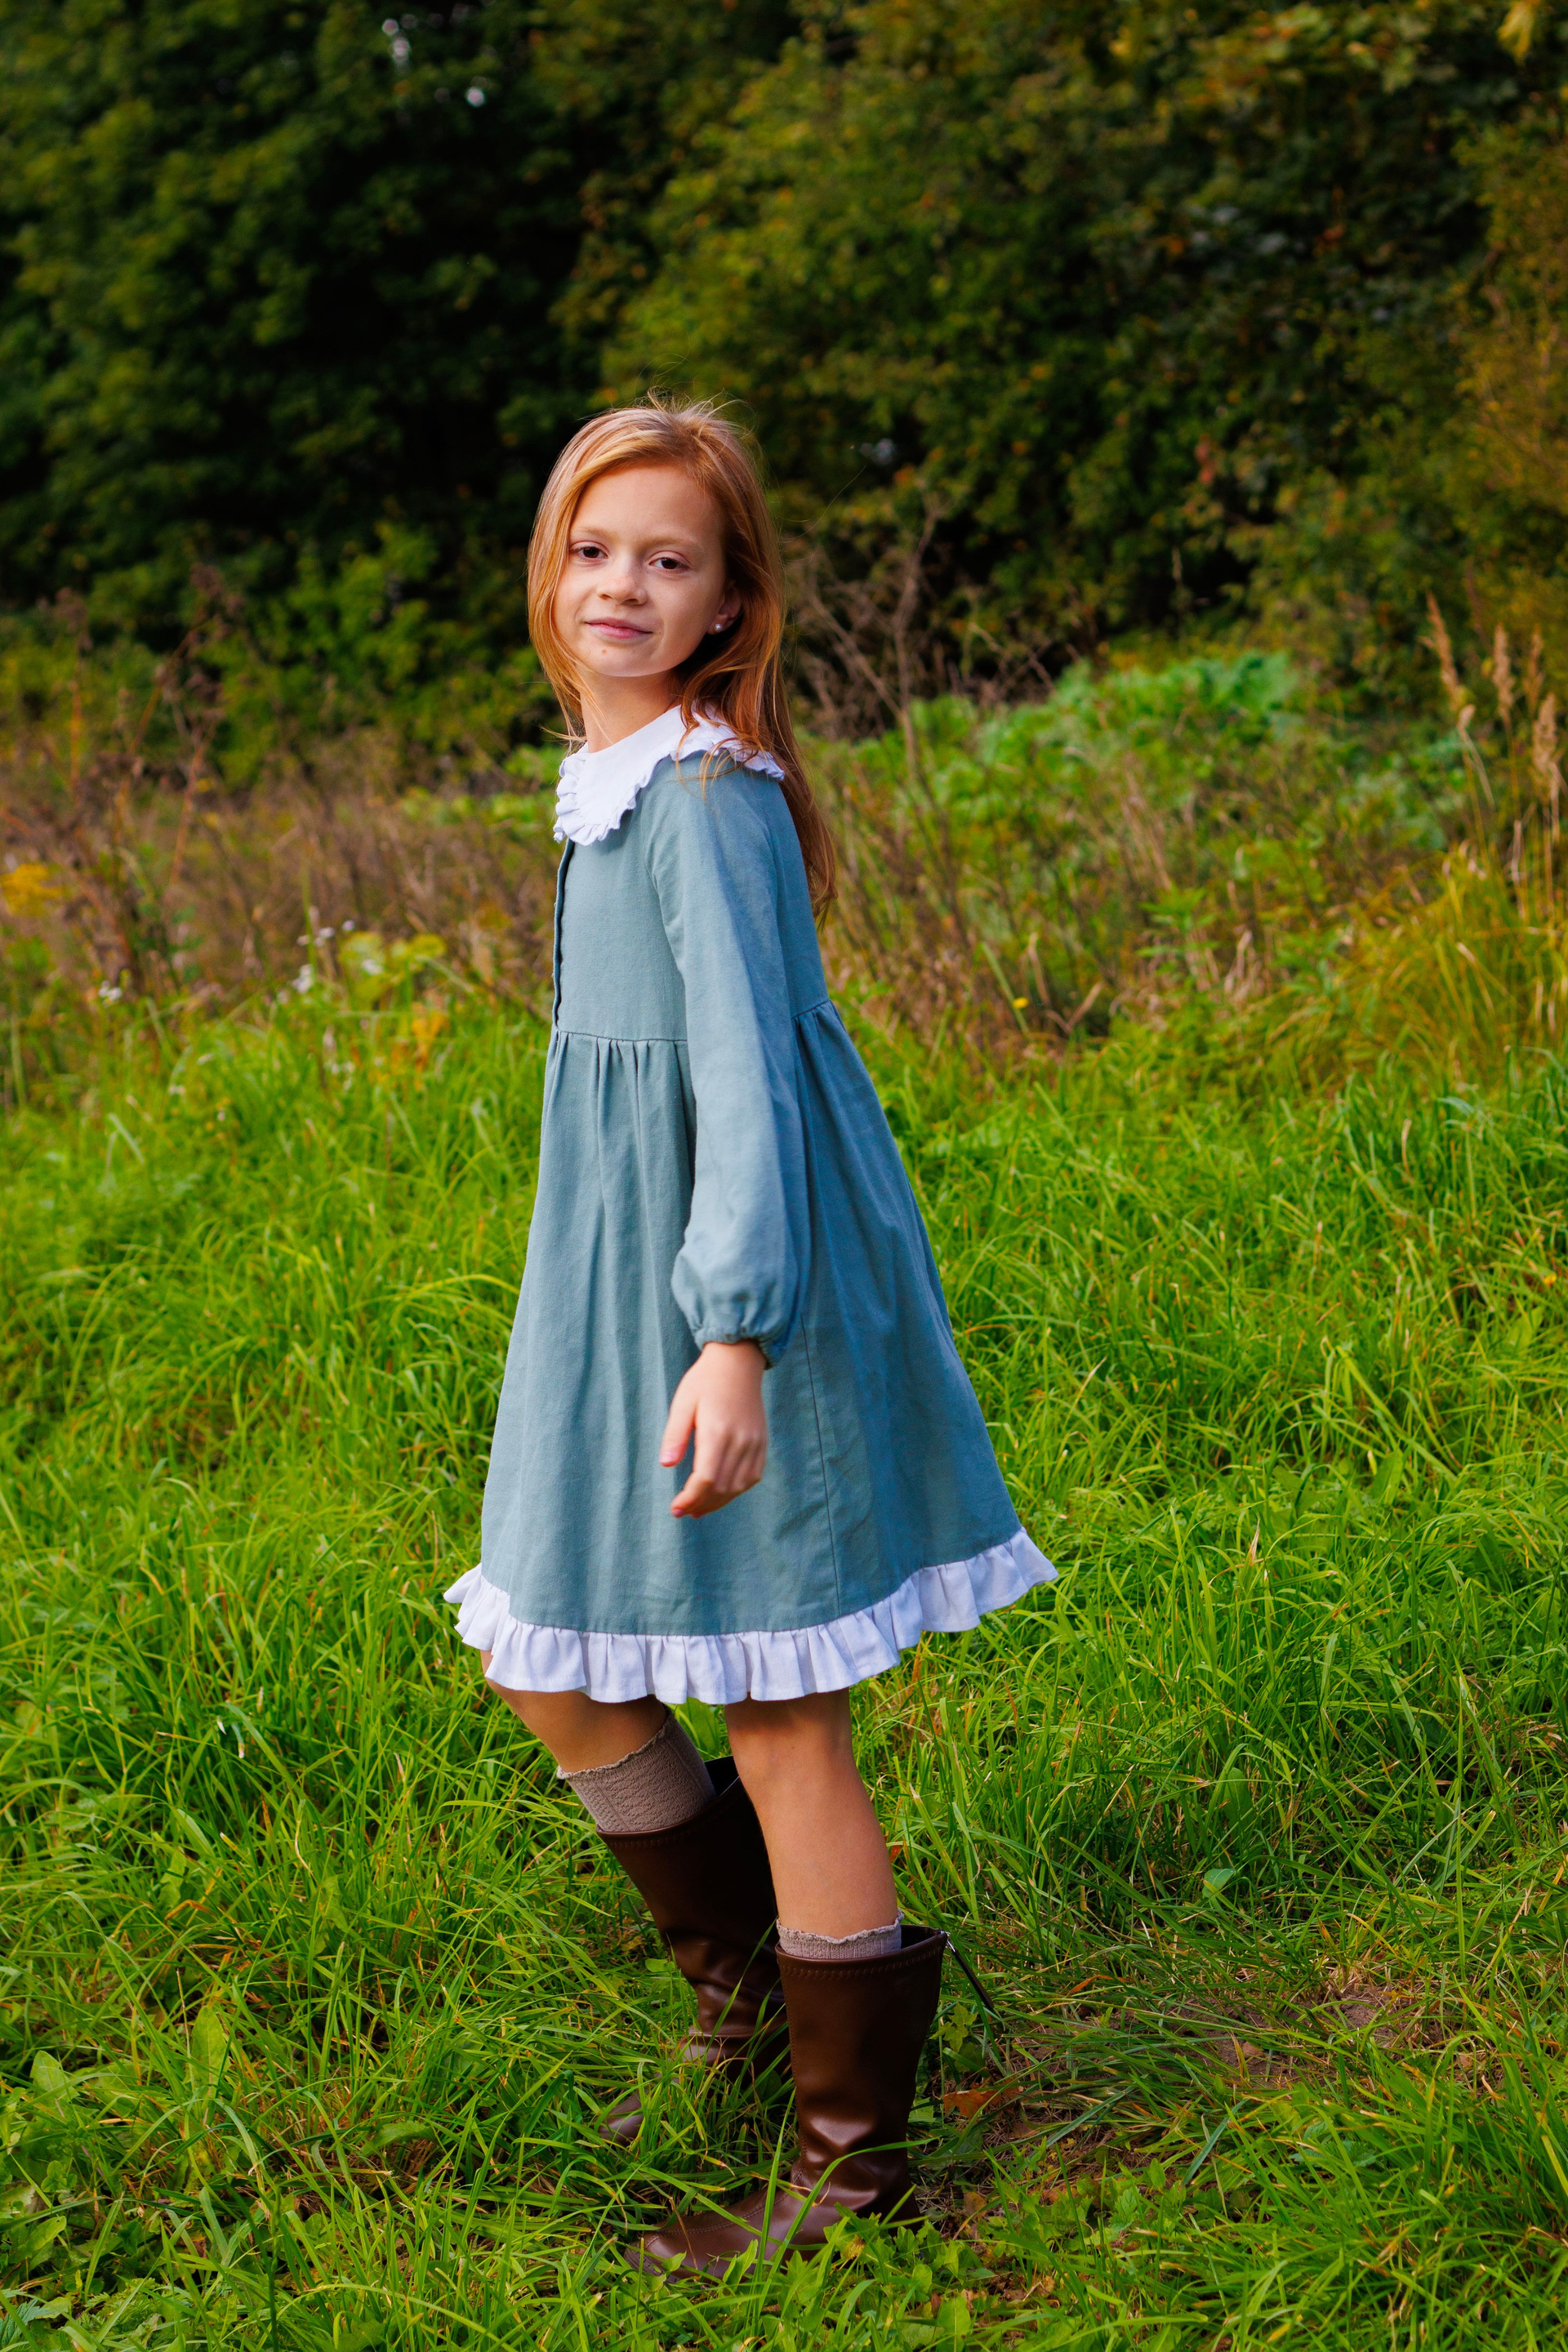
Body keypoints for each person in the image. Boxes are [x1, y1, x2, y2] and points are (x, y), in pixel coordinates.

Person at [445, 397, 1054, 2276]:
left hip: (740, 1286)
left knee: (783, 1713)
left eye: (669, 559)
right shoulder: (612, 782)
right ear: (549, 572)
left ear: (728, 603)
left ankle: (854, 2170)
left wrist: (735, 1338)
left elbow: (746, 1084)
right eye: (593, 549)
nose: (622, 585)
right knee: (548, 1647)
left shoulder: (709, 802)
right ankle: (747, 2006)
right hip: (624, 1285)